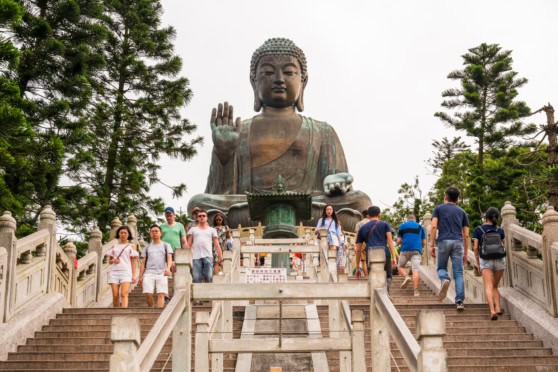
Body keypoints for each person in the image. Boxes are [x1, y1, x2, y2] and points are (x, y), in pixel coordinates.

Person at [187, 38, 371, 230]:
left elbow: (338, 186)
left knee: (359, 201)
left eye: (289, 72)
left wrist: (337, 184)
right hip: (249, 206)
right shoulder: (240, 131)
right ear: (254, 81)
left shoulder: (322, 131)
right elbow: (218, 192)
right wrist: (223, 155)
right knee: (199, 203)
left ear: (303, 81)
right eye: (267, 72)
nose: (279, 79)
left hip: (310, 206)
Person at [429, 186, 470, 311]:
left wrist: (431, 245)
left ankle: (445, 279)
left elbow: (433, 227)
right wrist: (466, 253)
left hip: (443, 241)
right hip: (458, 242)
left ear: (445, 197)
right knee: (458, 273)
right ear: (457, 199)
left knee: (441, 268)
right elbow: (466, 234)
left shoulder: (438, 209)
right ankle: (459, 301)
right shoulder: (462, 212)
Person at [355, 206, 398, 293]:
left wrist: (357, 267)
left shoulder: (362, 228)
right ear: (380, 215)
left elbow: (358, 249)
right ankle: (386, 291)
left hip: (371, 255)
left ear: (368, 216)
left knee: (373, 276)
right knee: (388, 276)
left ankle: (377, 295)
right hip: (384, 253)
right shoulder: (385, 225)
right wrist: (394, 257)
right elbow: (390, 241)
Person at [473, 207, 506, 320]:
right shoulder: (500, 230)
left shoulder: (478, 230)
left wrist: (478, 262)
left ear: (485, 217)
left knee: (488, 285)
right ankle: (498, 308)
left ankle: (492, 311)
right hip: (499, 260)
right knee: (495, 286)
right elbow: (503, 246)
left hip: (486, 259)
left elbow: (476, 248)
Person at [138, 224, 173, 308]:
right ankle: (151, 309)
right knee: (148, 293)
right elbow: (143, 263)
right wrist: (140, 277)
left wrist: (168, 268)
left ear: (161, 233)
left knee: (161, 294)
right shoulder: (147, 247)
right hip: (149, 273)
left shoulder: (166, 245)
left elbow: (169, 258)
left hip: (162, 273)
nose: (154, 233)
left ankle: (159, 313)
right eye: (152, 231)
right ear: (150, 234)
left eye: (156, 231)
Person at [187, 210, 223, 288]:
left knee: (209, 277)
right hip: (196, 257)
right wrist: (186, 257)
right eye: (200, 216)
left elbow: (217, 245)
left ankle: (207, 297)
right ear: (197, 218)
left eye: (203, 216)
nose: (202, 217)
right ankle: (197, 298)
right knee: (196, 278)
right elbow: (188, 245)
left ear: (207, 218)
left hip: (208, 256)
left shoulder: (212, 230)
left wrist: (221, 259)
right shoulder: (193, 230)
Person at [107, 225, 138, 308]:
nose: (123, 234)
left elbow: (134, 262)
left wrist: (134, 275)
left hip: (126, 272)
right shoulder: (114, 246)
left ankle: (123, 312)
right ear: (119, 234)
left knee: (124, 294)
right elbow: (109, 261)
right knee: (115, 295)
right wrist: (113, 260)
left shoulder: (132, 246)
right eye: (121, 233)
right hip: (114, 272)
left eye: (125, 233)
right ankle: (116, 313)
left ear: (128, 234)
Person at [160, 206, 187, 302]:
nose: (168, 216)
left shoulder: (179, 226)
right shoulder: (161, 226)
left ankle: (176, 292)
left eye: (170, 214)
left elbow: (183, 240)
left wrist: (186, 251)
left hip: (176, 251)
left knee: (176, 271)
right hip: (164, 251)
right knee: (165, 272)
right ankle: (166, 295)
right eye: (167, 214)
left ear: (174, 215)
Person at [397, 214, 426, 297]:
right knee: (415, 270)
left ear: (407, 219)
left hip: (405, 249)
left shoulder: (402, 226)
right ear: (415, 219)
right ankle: (416, 291)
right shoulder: (420, 227)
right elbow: (424, 242)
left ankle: (406, 277)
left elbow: (398, 241)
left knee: (400, 266)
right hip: (416, 250)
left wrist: (403, 242)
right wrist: (420, 247)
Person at [315, 204, 345, 274]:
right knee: (324, 254)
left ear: (333, 211)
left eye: (330, 209)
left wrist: (341, 243)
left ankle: (332, 270)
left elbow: (338, 233)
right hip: (324, 238)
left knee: (333, 254)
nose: (329, 211)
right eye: (327, 209)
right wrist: (322, 230)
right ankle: (325, 269)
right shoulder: (321, 220)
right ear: (325, 211)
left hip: (333, 238)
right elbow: (316, 231)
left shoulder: (336, 221)